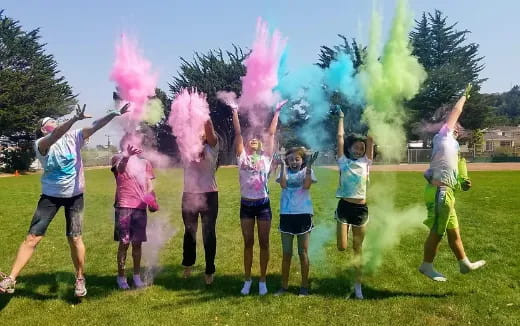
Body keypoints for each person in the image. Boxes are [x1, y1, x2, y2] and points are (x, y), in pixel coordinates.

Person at [0, 103, 129, 296]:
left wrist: (112, 113)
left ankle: (79, 279)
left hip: (75, 196)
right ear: (43, 129)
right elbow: (55, 135)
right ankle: (11, 278)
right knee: (32, 238)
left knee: (75, 238)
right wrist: (74, 119)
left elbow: (95, 126)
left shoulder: (75, 135)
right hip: (50, 197)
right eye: (49, 122)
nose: (54, 122)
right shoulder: (41, 143)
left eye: (55, 121)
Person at [419, 84, 486, 282]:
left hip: (447, 193)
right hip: (440, 193)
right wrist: (464, 95)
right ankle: (426, 265)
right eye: (455, 124)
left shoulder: (453, 147)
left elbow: (448, 172)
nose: (457, 126)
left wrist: (463, 183)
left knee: (454, 232)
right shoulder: (444, 136)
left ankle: (464, 263)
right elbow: (456, 111)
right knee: (437, 232)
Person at [226, 99, 286, 296]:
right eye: (250, 139)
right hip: (246, 206)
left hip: (263, 206)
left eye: (256, 139)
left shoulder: (267, 159)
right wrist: (234, 110)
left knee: (264, 243)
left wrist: (276, 111)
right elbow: (237, 133)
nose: (253, 140)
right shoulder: (242, 157)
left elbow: (270, 133)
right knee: (248, 243)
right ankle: (247, 280)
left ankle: (262, 280)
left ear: (261, 145)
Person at [335, 109, 374, 300]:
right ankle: (345, 229)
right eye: (356, 147)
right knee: (342, 247)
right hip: (344, 207)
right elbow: (340, 137)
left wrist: (371, 117)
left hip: (361, 210)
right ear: (350, 148)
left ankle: (358, 286)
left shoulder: (367, 163)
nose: (359, 150)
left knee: (358, 249)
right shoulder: (343, 161)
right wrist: (341, 118)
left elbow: (371, 139)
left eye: (362, 148)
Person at [111, 134, 158, 290]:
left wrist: (151, 199)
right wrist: (126, 156)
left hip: (140, 207)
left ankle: (136, 276)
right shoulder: (117, 158)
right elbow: (120, 170)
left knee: (137, 244)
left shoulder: (145, 163)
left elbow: (149, 184)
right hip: (123, 206)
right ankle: (121, 277)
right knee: (124, 243)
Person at [274, 148, 318, 297]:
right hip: (286, 215)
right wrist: (281, 165)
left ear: (302, 160)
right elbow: (283, 185)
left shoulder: (307, 171)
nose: (294, 162)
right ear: (287, 161)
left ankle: (304, 286)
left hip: (303, 215)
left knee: (302, 252)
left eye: (297, 159)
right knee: (286, 253)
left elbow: (306, 186)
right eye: (291, 159)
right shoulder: (283, 171)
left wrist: (309, 167)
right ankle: (284, 286)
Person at [181, 119, 219, 285]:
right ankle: (188, 264)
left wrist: (202, 116)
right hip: (189, 194)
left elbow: (209, 129)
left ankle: (209, 270)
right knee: (190, 231)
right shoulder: (186, 149)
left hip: (209, 195)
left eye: (201, 132)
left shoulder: (213, 146)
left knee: (208, 233)